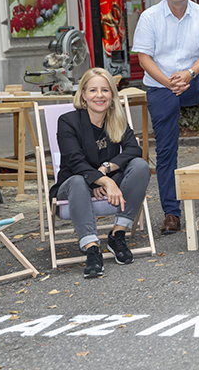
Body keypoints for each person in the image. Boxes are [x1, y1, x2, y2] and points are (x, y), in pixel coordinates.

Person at [132, 0, 199, 235]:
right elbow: (143, 58)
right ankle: (171, 213)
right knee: (167, 151)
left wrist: (189, 73)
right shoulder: (149, 17)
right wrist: (168, 82)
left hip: (191, 80)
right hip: (161, 85)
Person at [52, 68, 151, 278]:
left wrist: (105, 172)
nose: (99, 95)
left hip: (107, 184)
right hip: (71, 188)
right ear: (83, 95)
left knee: (140, 165)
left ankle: (117, 234)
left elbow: (134, 149)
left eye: (105, 90)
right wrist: (103, 181)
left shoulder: (117, 119)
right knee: (79, 181)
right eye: (93, 90)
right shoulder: (68, 121)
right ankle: (92, 248)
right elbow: (74, 161)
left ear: (112, 96)